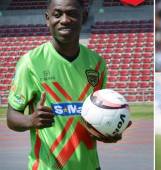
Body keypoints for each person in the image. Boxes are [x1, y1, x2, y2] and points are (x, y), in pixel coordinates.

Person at [6, 0, 128, 169]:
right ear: (47, 19)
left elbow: (96, 117)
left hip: (90, 166)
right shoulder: (30, 63)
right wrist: (30, 120)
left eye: (72, 13)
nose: (64, 19)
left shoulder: (97, 64)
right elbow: (12, 117)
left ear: (83, 17)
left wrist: (109, 130)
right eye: (57, 14)